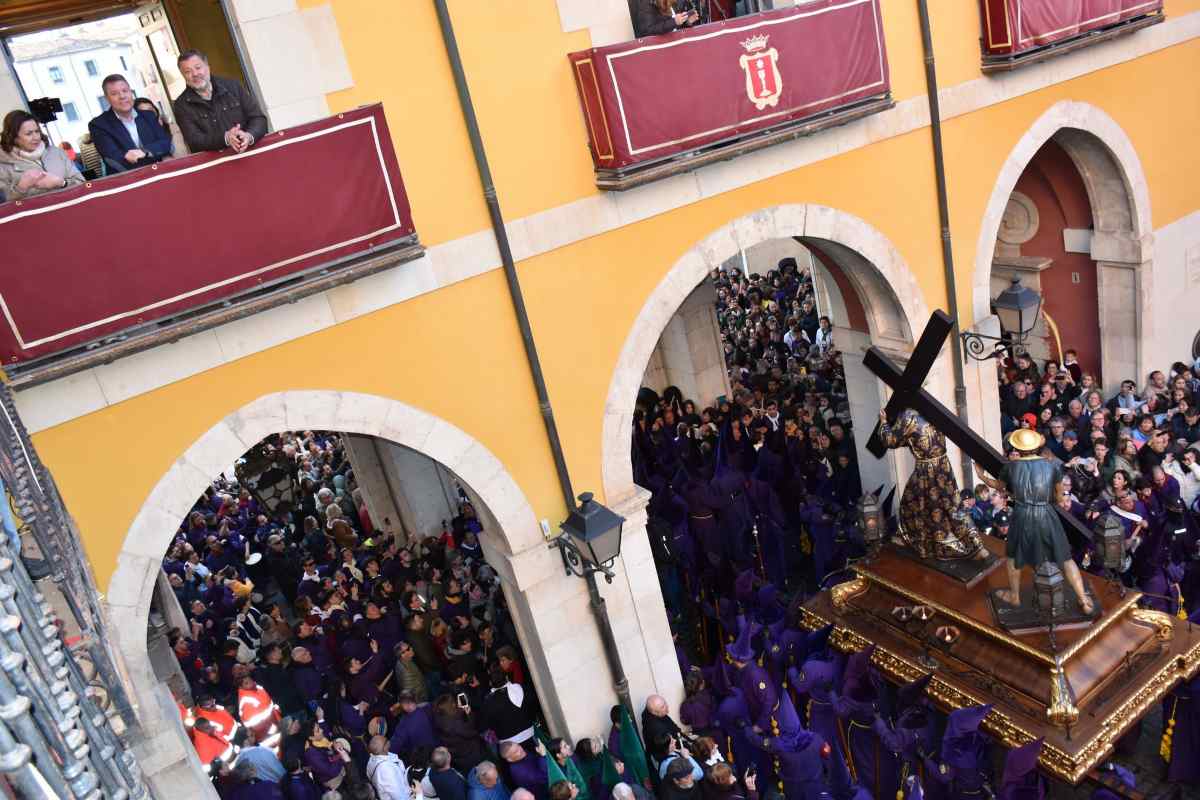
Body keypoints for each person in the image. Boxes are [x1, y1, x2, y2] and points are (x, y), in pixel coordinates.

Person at [975, 430, 1095, 614]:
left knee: (1014, 557)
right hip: (1046, 513)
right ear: (1037, 447)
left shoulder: (1011, 467)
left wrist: (982, 476)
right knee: (1065, 558)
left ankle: (1015, 596)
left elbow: (999, 486)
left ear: (1017, 448)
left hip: (1023, 514)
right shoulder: (1051, 466)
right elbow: (1059, 498)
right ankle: (1083, 599)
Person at [878, 408, 987, 561]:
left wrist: (883, 423)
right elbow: (913, 438)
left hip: (927, 471)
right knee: (953, 505)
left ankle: (930, 545)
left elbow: (890, 440)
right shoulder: (932, 408)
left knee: (923, 506)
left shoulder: (907, 416)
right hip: (943, 465)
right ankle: (976, 543)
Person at [173, 49, 268, 153]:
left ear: (207, 67)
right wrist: (226, 138)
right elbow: (194, 140)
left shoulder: (233, 87)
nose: (195, 74)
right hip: (217, 163)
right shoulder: (181, 105)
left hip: (250, 153)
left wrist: (249, 136)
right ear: (183, 75)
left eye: (198, 67)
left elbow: (259, 118)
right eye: (188, 72)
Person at [88, 74, 173, 172]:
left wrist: (144, 152)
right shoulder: (99, 125)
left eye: (125, 91)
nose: (122, 96)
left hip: (159, 173)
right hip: (127, 180)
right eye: (114, 93)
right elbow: (114, 158)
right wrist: (156, 156)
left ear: (131, 92)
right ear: (107, 98)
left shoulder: (148, 116)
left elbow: (166, 143)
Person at [0, 109, 83, 200]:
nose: (36, 137)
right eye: (29, 134)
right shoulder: (3, 166)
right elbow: (5, 206)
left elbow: (83, 184)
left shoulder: (57, 153)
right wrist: (21, 188)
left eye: (37, 131)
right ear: (13, 137)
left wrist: (62, 183)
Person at [368, 734, 413, 800]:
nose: (389, 741)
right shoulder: (387, 771)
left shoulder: (371, 759)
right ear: (384, 748)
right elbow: (398, 795)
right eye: (386, 741)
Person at [631, 0, 699, 37]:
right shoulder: (646, 3)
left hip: (675, 45)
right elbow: (648, 30)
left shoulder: (673, 2)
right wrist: (674, 22)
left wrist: (688, 22)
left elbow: (675, 28)